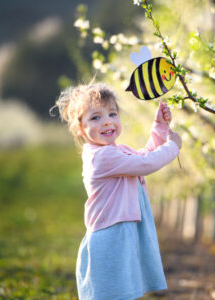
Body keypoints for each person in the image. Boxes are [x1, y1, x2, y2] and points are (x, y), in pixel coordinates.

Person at [50, 82, 182, 300]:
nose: (107, 121)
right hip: (111, 236)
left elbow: (143, 155)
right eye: (96, 117)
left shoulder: (116, 152)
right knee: (113, 294)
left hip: (121, 231)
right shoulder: (102, 157)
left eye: (112, 114)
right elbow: (146, 164)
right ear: (79, 128)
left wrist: (159, 126)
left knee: (123, 292)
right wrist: (173, 147)